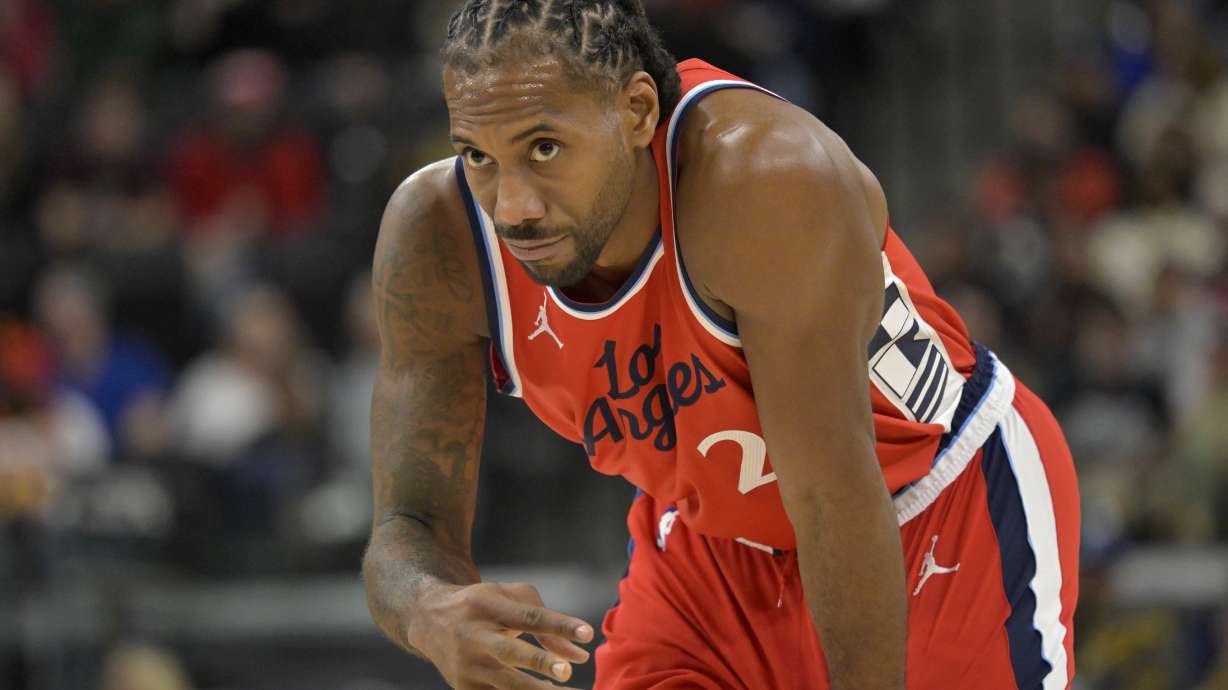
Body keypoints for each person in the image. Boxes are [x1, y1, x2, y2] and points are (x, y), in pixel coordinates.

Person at [362, 2, 1080, 689]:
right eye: (477, 156)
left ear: (637, 111)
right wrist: (429, 610)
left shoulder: (763, 179)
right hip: (709, 547)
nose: (513, 206)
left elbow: (832, 498)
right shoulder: (439, 239)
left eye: (543, 149)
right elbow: (407, 524)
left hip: (928, 506)